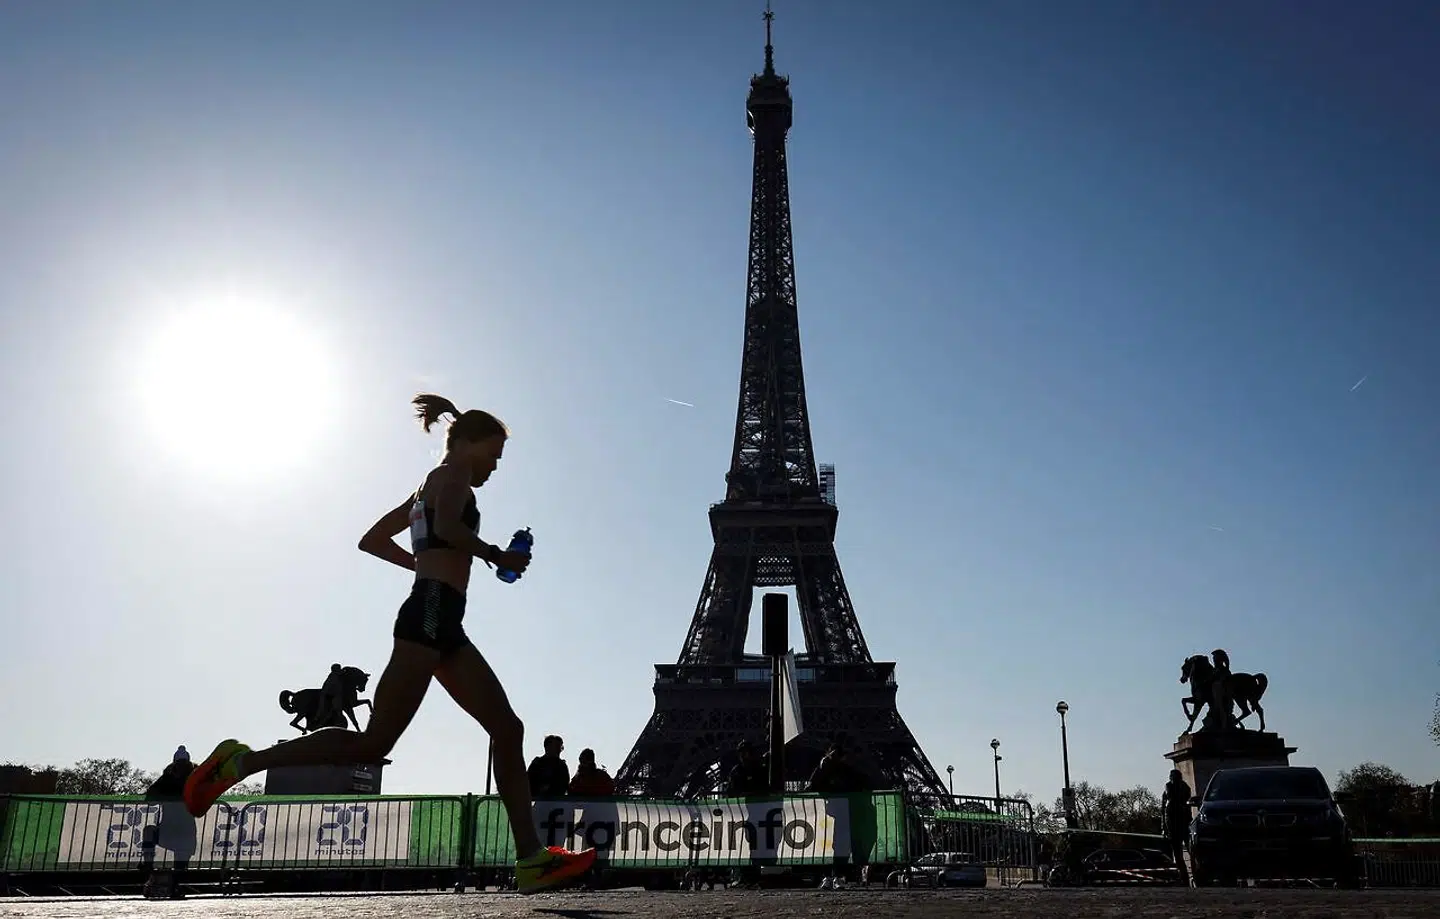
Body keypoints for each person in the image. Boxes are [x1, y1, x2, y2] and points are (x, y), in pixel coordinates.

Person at [181, 393, 596, 893]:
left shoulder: (426, 486)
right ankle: (240, 761)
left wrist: (426, 566)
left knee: (507, 728)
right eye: (492, 455)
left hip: (438, 615)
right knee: (378, 742)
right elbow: (444, 528)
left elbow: (373, 539)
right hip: (430, 615)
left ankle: (531, 857)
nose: (493, 468)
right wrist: (494, 555)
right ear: (468, 443)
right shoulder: (453, 478)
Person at [1161, 768, 1193, 886]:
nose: (1172, 779)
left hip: (1183, 824)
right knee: (1178, 854)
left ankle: (1192, 875)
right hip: (1172, 825)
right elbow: (1163, 809)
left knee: (1189, 851)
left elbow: (1186, 806)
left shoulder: (1184, 789)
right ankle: (1184, 878)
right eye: (1171, 777)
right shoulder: (1168, 790)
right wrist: (1164, 827)